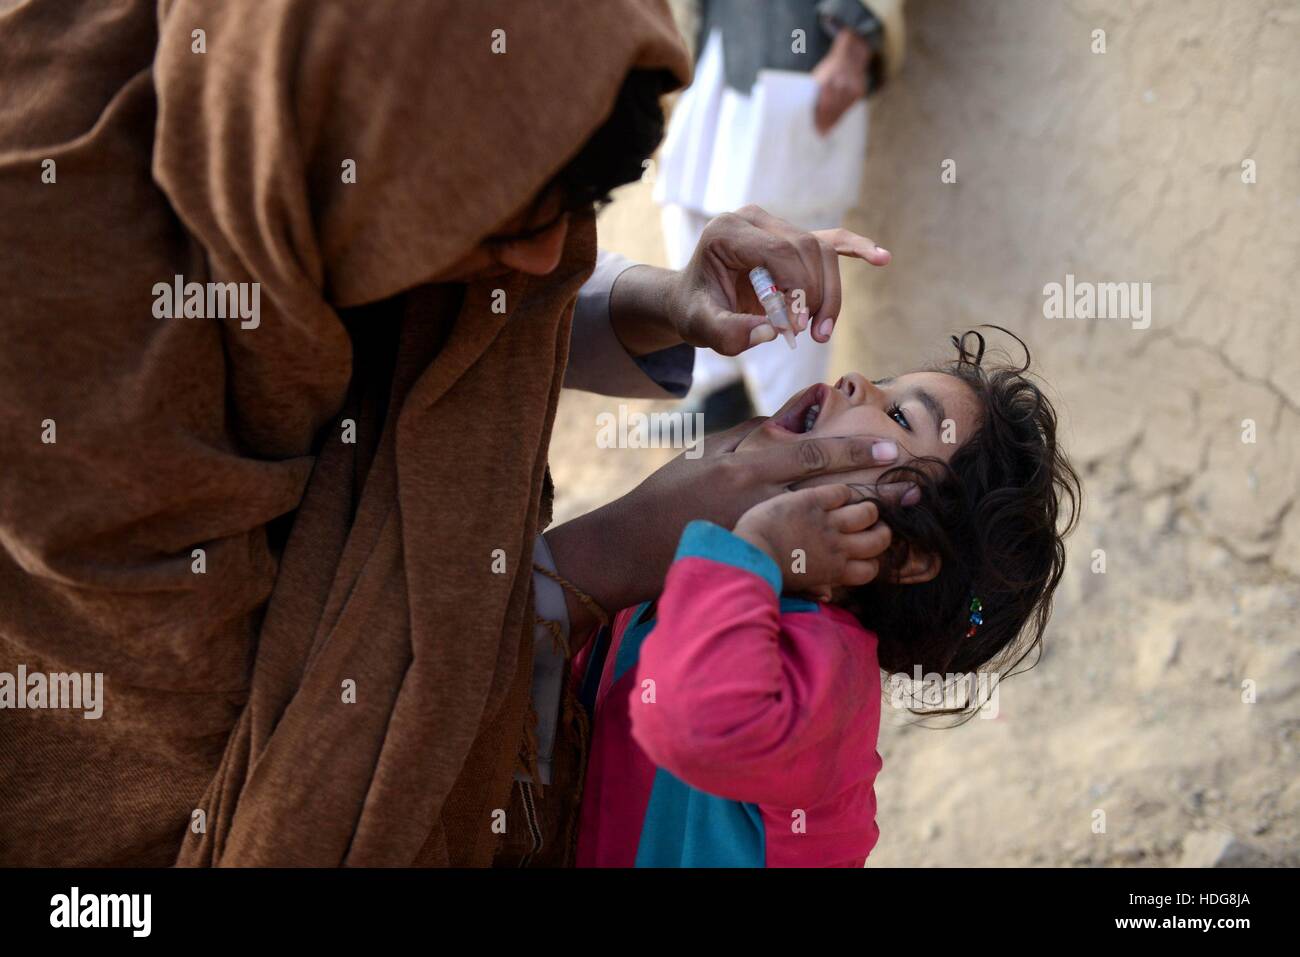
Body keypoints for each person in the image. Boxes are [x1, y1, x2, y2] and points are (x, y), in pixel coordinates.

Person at [0, 0, 899, 866]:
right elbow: (314, 773)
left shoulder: (371, 118)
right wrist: (612, 554)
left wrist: (666, 300)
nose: (549, 262)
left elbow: (468, 291)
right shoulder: (67, 317)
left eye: (571, 215)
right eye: (516, 219)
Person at [571, 330, 1083, 866]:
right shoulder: (713, 566)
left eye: (901, 416)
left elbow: (692, 726)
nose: (854, 380)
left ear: (908, 554)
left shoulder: (824, 665)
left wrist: (758, 552)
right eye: (883, 384)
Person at [656, 0, 908, 423]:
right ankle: (719, 401)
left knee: (785, 242)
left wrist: (854, 42)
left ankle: (794, 431)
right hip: (714, 46)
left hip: (802, 52)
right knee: (688, 209)